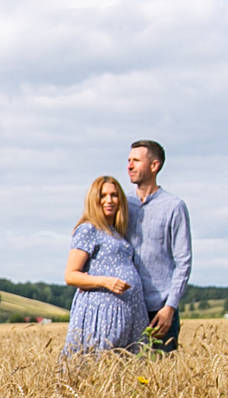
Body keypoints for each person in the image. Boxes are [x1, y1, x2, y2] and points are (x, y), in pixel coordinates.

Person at [62, 175, 144, 356]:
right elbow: (71, 275)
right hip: (102, 314)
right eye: (103, 195)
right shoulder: (88, 229)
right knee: (97, 364)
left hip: (127, 313)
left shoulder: (115, 232)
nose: (109, 200)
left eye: (114, 195)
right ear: (94, 199)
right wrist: (106, 282)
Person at [124, 139, 191, 354]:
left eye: (136, 160)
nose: (129, 166)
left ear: (154, 166)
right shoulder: (121, 205)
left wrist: (169, 308)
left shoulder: (174, 206)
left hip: (159, 311)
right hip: (126, 307)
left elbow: (184, 261)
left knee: (161, 379)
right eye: (128, 160)